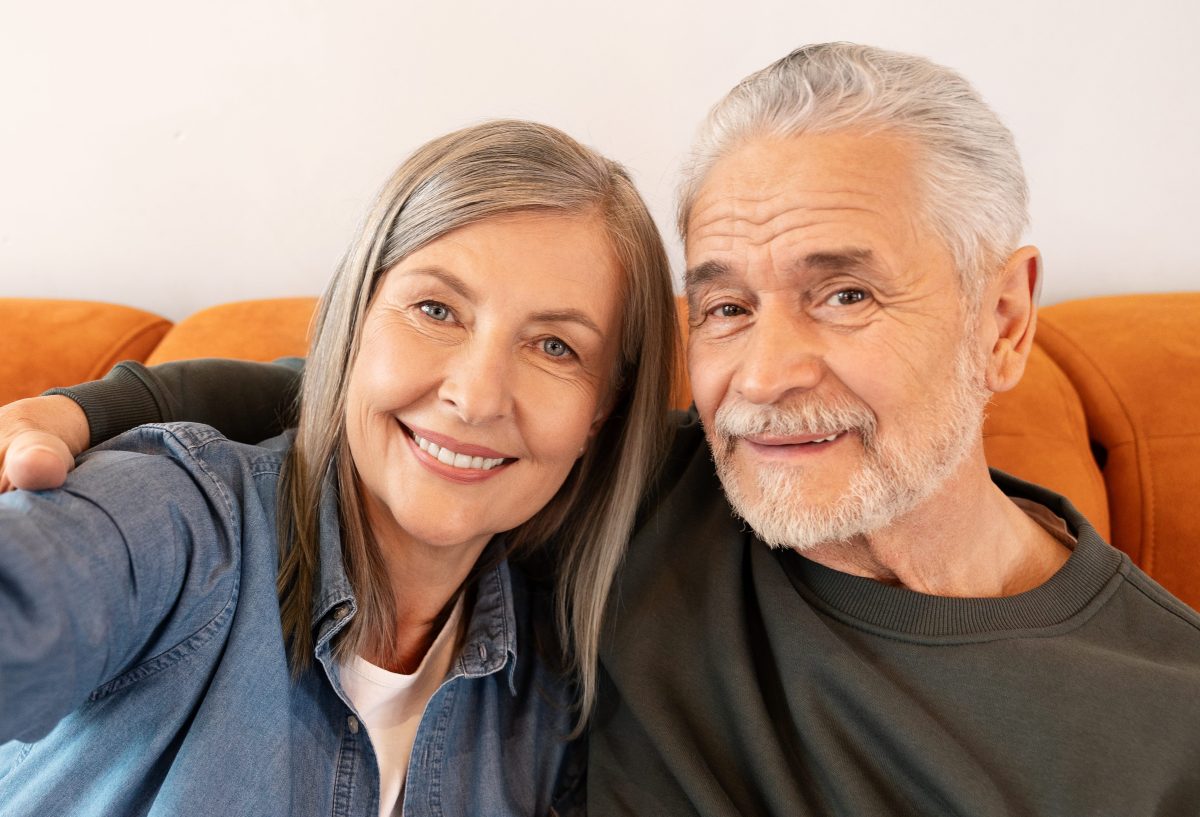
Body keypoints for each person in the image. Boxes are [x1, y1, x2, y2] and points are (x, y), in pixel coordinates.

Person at [5, 44, 1200, 816]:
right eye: (726, 304)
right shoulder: (650, 493)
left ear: (1003, 317)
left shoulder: (1167, 718)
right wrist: (99, 406)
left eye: (846, 293)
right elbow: (379, 409)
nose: (767, 375)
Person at [0, 119, 679, 816]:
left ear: (601, 413)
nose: (475, 397)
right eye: (436, 308)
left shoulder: (550, 699)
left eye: (555, 347)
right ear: (353, 322)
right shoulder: (178, 520)